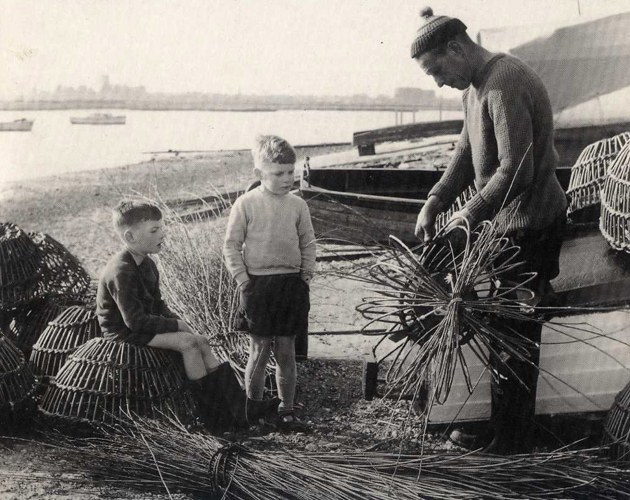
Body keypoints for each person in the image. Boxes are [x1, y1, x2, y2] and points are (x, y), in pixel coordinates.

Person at [410, 7, 567, 454]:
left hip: (532, 227)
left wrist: (469, 213)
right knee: (501, 324)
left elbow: (516, 169)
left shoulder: (504, 81)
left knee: (514, 331)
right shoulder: (476, 86)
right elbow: (466, 148)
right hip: (506, 225)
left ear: (456, 49)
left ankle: (514, 440)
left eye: (437, 70)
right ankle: (502, 424)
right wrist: (437, 199)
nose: (438, 82)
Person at [96, 200, 278, 431]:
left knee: (200, 340)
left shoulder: (147, 264)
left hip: (141, 326)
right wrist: (177, 324)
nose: (163, 233)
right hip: (123, 333)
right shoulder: (120, 271)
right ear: (130, 237)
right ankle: (215, 420)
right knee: (189, 345)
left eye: (162, 227)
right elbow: (134, 321)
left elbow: (158, 304)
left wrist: (176, 322)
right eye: (154, 230)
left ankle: (240, 407)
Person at [223, 135, 317, 432]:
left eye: (291, 172)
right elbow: (231, 245)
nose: (287, 178)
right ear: (259, 173)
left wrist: (305, 276)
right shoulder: (246, 204)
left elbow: (308, 243)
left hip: (290, 286)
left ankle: (286, 411)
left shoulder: (298, 205)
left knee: (287, 352)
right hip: (257, 287)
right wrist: (243, 281)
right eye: (278, 173)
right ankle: (254, 412)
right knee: (259, 351)